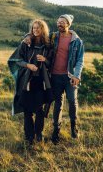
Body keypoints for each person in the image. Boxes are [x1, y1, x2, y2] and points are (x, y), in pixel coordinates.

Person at [24, 14, 84, 144]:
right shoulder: (53, 37)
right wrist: (27, 36)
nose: (59, 24)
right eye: (58, 22)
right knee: (58, 103)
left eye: (62, 22)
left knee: (72, 101)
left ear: (68, 24)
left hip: (70, 76)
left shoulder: (76, 40)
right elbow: (37, 34)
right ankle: (56, 131)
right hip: (55, 76)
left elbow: (80, 60)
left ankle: (74, 127)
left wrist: (76, 75)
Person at [8, 19, 53, 144]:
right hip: (27, 82)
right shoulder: (26, 43)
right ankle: (29, 137)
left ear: (43, 29)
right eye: (33, 28)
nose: (35, 30)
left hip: (41, 82)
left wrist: (44, 59)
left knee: (39, 110)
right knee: (27, 111)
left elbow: (51, 64)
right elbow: (16, 60)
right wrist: (28, 65)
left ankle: (39, 134)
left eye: (38, 28)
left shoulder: (48, 45)